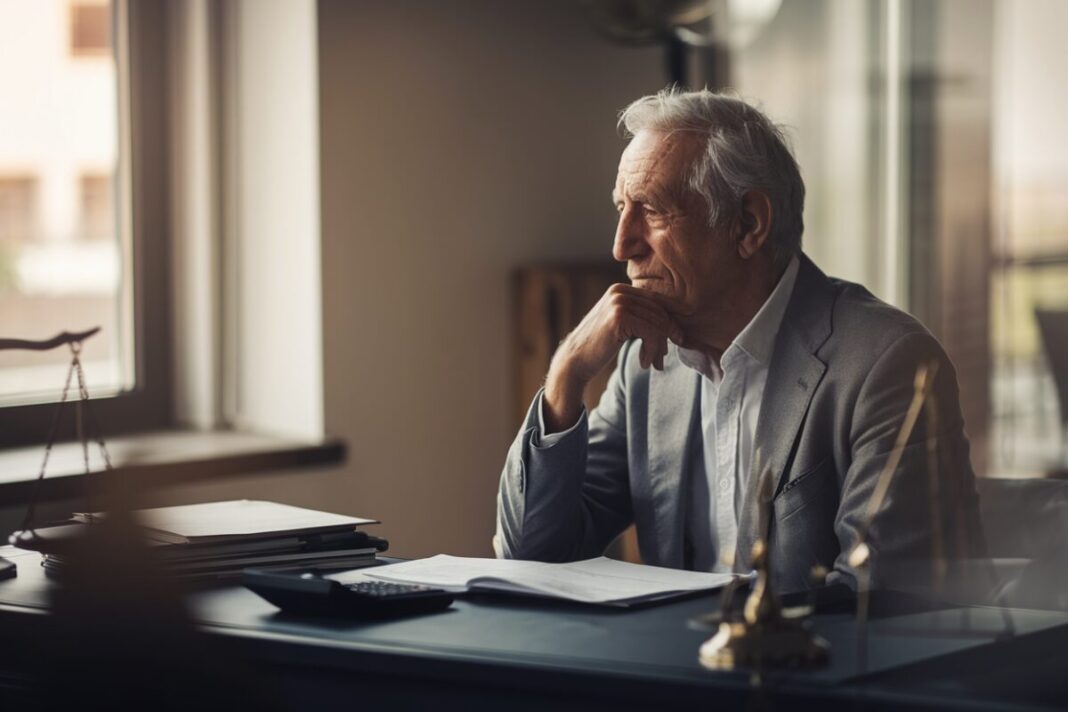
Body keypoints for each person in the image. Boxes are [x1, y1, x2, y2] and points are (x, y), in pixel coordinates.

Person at [494, 88, 985, 594]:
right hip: (669, 667)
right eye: (622, 208)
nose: (622, 244)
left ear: (748, 224)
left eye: (653, 210)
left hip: (801, 670)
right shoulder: (645, 368)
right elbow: (532, 554)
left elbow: (877, 604)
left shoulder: (889, 363)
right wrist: (568, 371)